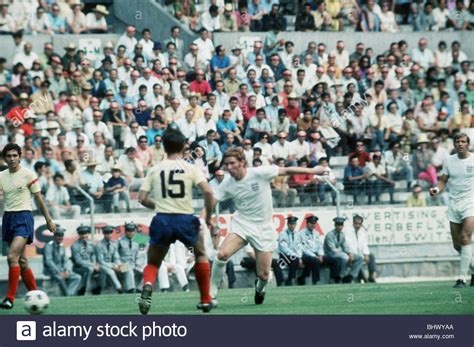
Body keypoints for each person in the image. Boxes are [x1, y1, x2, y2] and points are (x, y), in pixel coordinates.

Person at [208, 148, 327, 305]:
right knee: (222, 254)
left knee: (264, 275)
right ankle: (210, 294)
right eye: (226, 164)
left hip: (264, 228)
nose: (229, 167)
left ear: (242, 162)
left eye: (232, 163)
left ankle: (260, 289)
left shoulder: (260, 172)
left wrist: (313, 170)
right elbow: (211, 200)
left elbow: (287, 169)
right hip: (242, 224)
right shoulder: (227, 183)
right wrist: (205, 217)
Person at [138, 129, 215, 314]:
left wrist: (158, 205)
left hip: (162, 218)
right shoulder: (190, 168)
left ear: (164, 147)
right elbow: (208, 192)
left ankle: (148, 285)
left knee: (154, 261)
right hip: (185, 218)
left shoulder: (155, 169)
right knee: (201, 254)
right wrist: (209, 216)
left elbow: (142, 198)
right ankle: (205, 299)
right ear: (183, 147)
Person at [0, 143, 56, 309]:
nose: (12, 159)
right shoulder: (2, 175)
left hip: (24, 217)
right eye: (8, 156)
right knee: (22, 260)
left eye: (14, 155)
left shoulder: (28, 174)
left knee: (11, 257)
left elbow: (39, 199)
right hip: (8, 218)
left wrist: (49, 220)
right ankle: (36, 295)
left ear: (20, 156)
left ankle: (9, 298)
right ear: (5, 158)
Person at [429, 133, 474, 288]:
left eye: (463, 141)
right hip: (454, 203)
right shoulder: (449, 160)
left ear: (468, 144)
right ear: (454, 144)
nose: (460, 144)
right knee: (457, 245)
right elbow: (443, 181)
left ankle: (462, 278)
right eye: (458, 141)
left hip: (471, 202)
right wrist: (436, 189)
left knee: (465, 237)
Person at [43, 226, 82, 296]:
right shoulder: (49, 245)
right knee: (60, 278)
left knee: (77, 277)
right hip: (51, 270)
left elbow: (65, 260)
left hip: (62, 270)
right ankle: (67, 295)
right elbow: (49, 261)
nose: (60, 237)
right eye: (58, 235)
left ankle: (69, 294)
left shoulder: (61, 246)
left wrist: (67, 271)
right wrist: (59, 272)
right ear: (54, 236)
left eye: (62, 235)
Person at [324, 217, 364, 284]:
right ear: (335, 225)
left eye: (341, 225)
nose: (340, 227)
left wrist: (349, 253)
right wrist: (346, 254)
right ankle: (341, 276)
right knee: (345, 257)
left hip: (339, 253)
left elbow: (345, 246)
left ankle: (351, 276)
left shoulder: (342, 234)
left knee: (360, 257)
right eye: (338, 225)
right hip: (330, 254)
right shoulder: (330, 235)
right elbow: (332, 249)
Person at [344, 215, 377, 283]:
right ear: (353, 223)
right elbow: (348, 245)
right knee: (360, 258)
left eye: (360, 224)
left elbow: (364, 245)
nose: (358, 225)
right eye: (356, 223)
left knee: (371, 256)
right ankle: (356, 277)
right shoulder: (347, 231)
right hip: (350, 253)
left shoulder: (361, 232)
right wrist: (359, 254)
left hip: (359, 253)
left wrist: (366, 254)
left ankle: (371, 276)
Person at [71, 225, 101, 295]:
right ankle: (83, 289)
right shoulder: (75, 245)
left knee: (101, 268)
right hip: (78, 267)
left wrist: (94, 263)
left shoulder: (91, 243)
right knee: (90, 269)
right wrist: (92, 265)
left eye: (86, 233)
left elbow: (93, 254)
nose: (84, 235)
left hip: (91, 265)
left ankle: (97, 288)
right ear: (79, 234)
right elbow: (78, 261)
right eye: (82, 233)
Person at [297, 215, 325, 286]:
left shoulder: (316, 233)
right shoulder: (301, 233)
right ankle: (315, 282)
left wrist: (321, 255)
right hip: (305, 254)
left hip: (315, 254)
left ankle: (302, 277)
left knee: (332, 259)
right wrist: (315, 256)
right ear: (307, 223)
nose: (313, 225)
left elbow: (320, 245)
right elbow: (304, 248)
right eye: (311, 223)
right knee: (315, 261)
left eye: (314, 223)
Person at [95, 225, 123, 293]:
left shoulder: (114, 244)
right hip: (102, 265)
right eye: (107, 233)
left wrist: (119, 265)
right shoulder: (99, 245)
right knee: (111, 271)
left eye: (110, 233)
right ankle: (119, 288)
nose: (109, 235)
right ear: (104, 234)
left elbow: (116, 257)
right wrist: (113, 266)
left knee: (126, 268)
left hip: (112, 264)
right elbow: (101, 261)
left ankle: (131, 289)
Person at [278, 216, 303, 286]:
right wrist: (295, 255)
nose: (292, 226)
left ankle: (298, 278)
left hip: (295, 256)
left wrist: (299, 257)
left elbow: (299, 247)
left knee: (305, 259)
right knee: (295, 259)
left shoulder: (297, 234)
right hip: (284, 256)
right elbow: (284, 248)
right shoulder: (283, 234)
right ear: (287, 224)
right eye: (291, 224)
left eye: (294, 224)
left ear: (296, 225)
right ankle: (290, 279)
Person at [117, 222, 140, 293]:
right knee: (129, 270)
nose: (130, 233)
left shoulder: (136, 243)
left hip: (133, 265)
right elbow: (116, 256)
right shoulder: (119, 242)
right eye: (128, 231)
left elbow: (137, 256)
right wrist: (119, 265)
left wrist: (138, 265)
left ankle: (140, 289)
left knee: (146, 270)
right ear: (125, 231)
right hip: (122, 265)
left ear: (134, 231)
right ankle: (131, 290)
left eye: (132, 231)